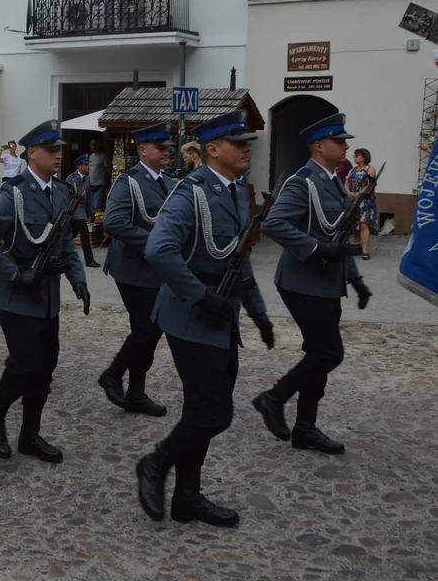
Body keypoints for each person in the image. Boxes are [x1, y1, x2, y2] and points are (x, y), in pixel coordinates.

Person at [136, 110, 275, 529]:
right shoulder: (190, 193)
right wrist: (200, 297)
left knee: (200, 411)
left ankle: (187, 498)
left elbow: (238, 256)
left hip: (221, 316)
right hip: (190, 316)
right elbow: (159, 250)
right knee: (215, 414)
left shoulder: (234, 191)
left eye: (247, 141)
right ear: (213, 150)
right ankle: (155, 463)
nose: (247, 147)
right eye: (239, 142)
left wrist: (258, 312)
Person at [0, 120, 90, 463]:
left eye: (59, 151)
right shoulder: (14, 192)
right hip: (14, 295)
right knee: (26, 363)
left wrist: (77, 278)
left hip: (46, 296)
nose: (57, 156)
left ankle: (30, 434)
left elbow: (65, 240)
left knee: (45, 367)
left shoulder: (60, 191)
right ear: (31, 153)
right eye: (51, 150)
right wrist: (13, 274)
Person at [254, 114, 371, 457]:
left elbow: (338, 233)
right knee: (328, 353)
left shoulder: (334, 182)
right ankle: (272, 398)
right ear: (320, 146)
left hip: (328, 282)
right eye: (340, 141)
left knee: (317, 353)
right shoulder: (302, 182)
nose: (347, 146)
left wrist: (356, 278)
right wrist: (317, 248)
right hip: (302, 282)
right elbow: (274, 224)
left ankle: (305, 427)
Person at [99, 123, 175, 417]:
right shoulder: (127, 182)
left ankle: (136, 393)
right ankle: (113, 374)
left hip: (156, 268)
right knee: (146, 328)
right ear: (143, 150)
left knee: (151, 332)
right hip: (131, 266)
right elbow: (113, 223)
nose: (167, 151)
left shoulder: (166, 181)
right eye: (160, 147)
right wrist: (157, 242)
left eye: (168, 146)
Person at [64, 155, 99, 268]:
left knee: (71, 235)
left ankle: (63, 255)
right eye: (86, 164)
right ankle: (89, 260)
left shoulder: (87, 178)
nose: (88, 166)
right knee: (83, 235)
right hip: (73, 212)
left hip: (81, 212)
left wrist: (91, 212)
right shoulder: (71, 178)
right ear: (79, 166)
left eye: (88, 164)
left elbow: (88, 197)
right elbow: (66, 197)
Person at [345, 148, 378, 259]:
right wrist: (349, 192)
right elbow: (346, 182)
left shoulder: (370, 169)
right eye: (354, 155)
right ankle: (357, 247)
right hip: (353, 200)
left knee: (363, 224)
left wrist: (359, 193)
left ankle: (365, 250)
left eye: (357, 155)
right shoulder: (352, 170)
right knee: (354, 225)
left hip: (364, 200)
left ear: (364, 157)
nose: (354, 157)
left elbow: (370, 184)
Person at [87, 138, 111, 214]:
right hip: (91, 184)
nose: (93, 146)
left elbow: (108, 170)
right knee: (90, 205)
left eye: (95, 144)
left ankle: (97, 222)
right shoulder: (90, 156)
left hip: (100, 184)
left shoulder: (103, 156)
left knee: (97, 205)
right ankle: (92, 221)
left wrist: (106, 182)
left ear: (99, 145)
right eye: (92, 145)